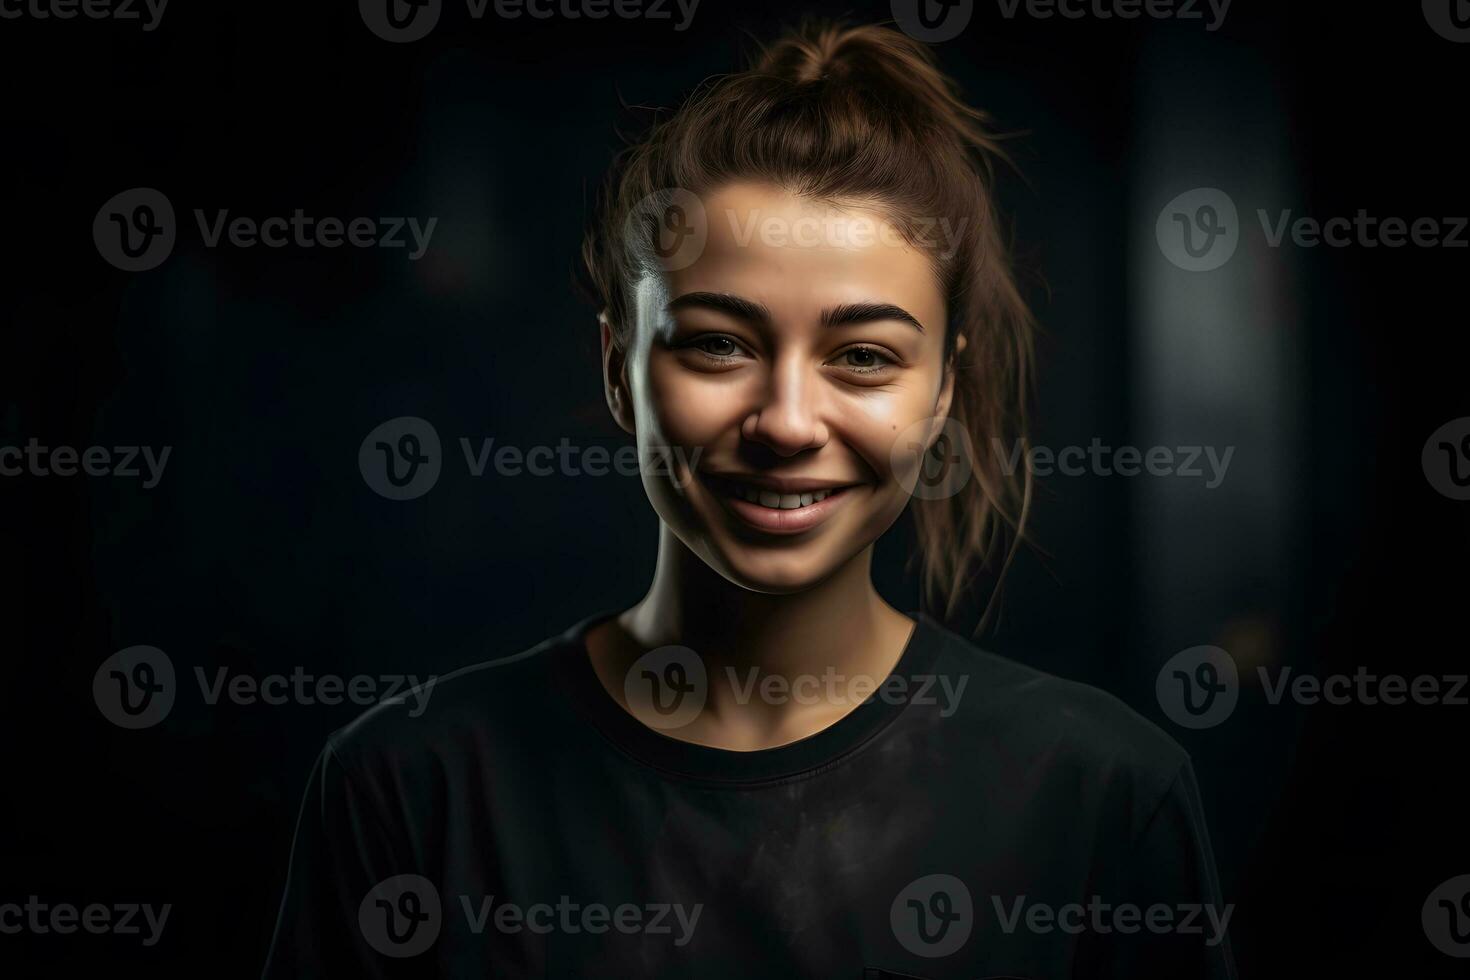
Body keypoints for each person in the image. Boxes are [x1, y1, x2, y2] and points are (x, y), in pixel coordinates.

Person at [264, 20, 1236, 979]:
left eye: (863, 356)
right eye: (720, 342)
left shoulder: (1102, 796)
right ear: (618, 367)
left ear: (942, 388)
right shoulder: (409, 790)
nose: (786, 420)